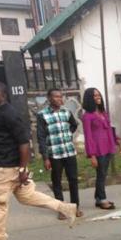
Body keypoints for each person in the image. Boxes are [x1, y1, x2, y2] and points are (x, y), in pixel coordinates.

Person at [0, 82, 77, 240]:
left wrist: (22, 169)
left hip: (7, 166)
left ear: (3, 95)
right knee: (27, 196)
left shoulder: (10, 114)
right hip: (6, 165)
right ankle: (65, 208)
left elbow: (24, 143)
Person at [37, 88, 82, 218]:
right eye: (56, 97)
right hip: (54, 154)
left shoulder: (66, 112)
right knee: (57, 181)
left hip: (69, 152)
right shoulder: (42, 115)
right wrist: (45, 157)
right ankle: (62, 209)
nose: (59, 99)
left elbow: (74, 125)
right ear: (49, 98)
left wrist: (67, 135)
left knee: (73, 179)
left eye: (60, 96)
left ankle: (75, 208)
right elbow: (40, 137)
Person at [81, 88, 121, 209]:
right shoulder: (87, 117)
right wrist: (92, 155)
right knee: (101, 174)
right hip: (98, 149)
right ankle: (103, 199)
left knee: (103, 174)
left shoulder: (103, 113)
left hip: (108, 147)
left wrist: (118, 142)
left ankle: (98, 199)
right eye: (95, 95)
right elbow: (88, 136)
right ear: (90, 98)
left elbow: (110, 129)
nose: (98, 97)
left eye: (98, 95)